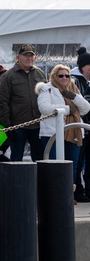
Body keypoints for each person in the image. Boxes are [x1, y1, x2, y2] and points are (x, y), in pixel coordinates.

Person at [37, 65, 90, 180]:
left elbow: (85, 109)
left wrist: (75, 97)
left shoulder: (73, 88)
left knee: (72, 165)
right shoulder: (47, 88)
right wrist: (66, 109)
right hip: (52, 133)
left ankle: (68, 193)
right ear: (54, 76)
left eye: (67, 75)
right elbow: (44, 108)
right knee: (54, 166)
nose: (64, 78)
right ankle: (53, 194)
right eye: (61, 76)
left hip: (73, 132)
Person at [0, 44, 48, 161]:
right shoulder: (8, 76)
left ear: (35, 58)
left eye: (31, 56)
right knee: (16, 160)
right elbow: (2, 102)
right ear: (18, 57)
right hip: (18, 126)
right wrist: (8, 126)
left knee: (40, 160)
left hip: (38, 125)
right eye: (26, 56)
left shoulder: (40, 74)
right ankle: (16, 180)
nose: (29, 58)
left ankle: (38, 180)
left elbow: (46, 97)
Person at [72, 47, 90, 202]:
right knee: (77, 161)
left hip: (88, 127)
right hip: (79, 128)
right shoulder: (74, 80)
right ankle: (77, 191)